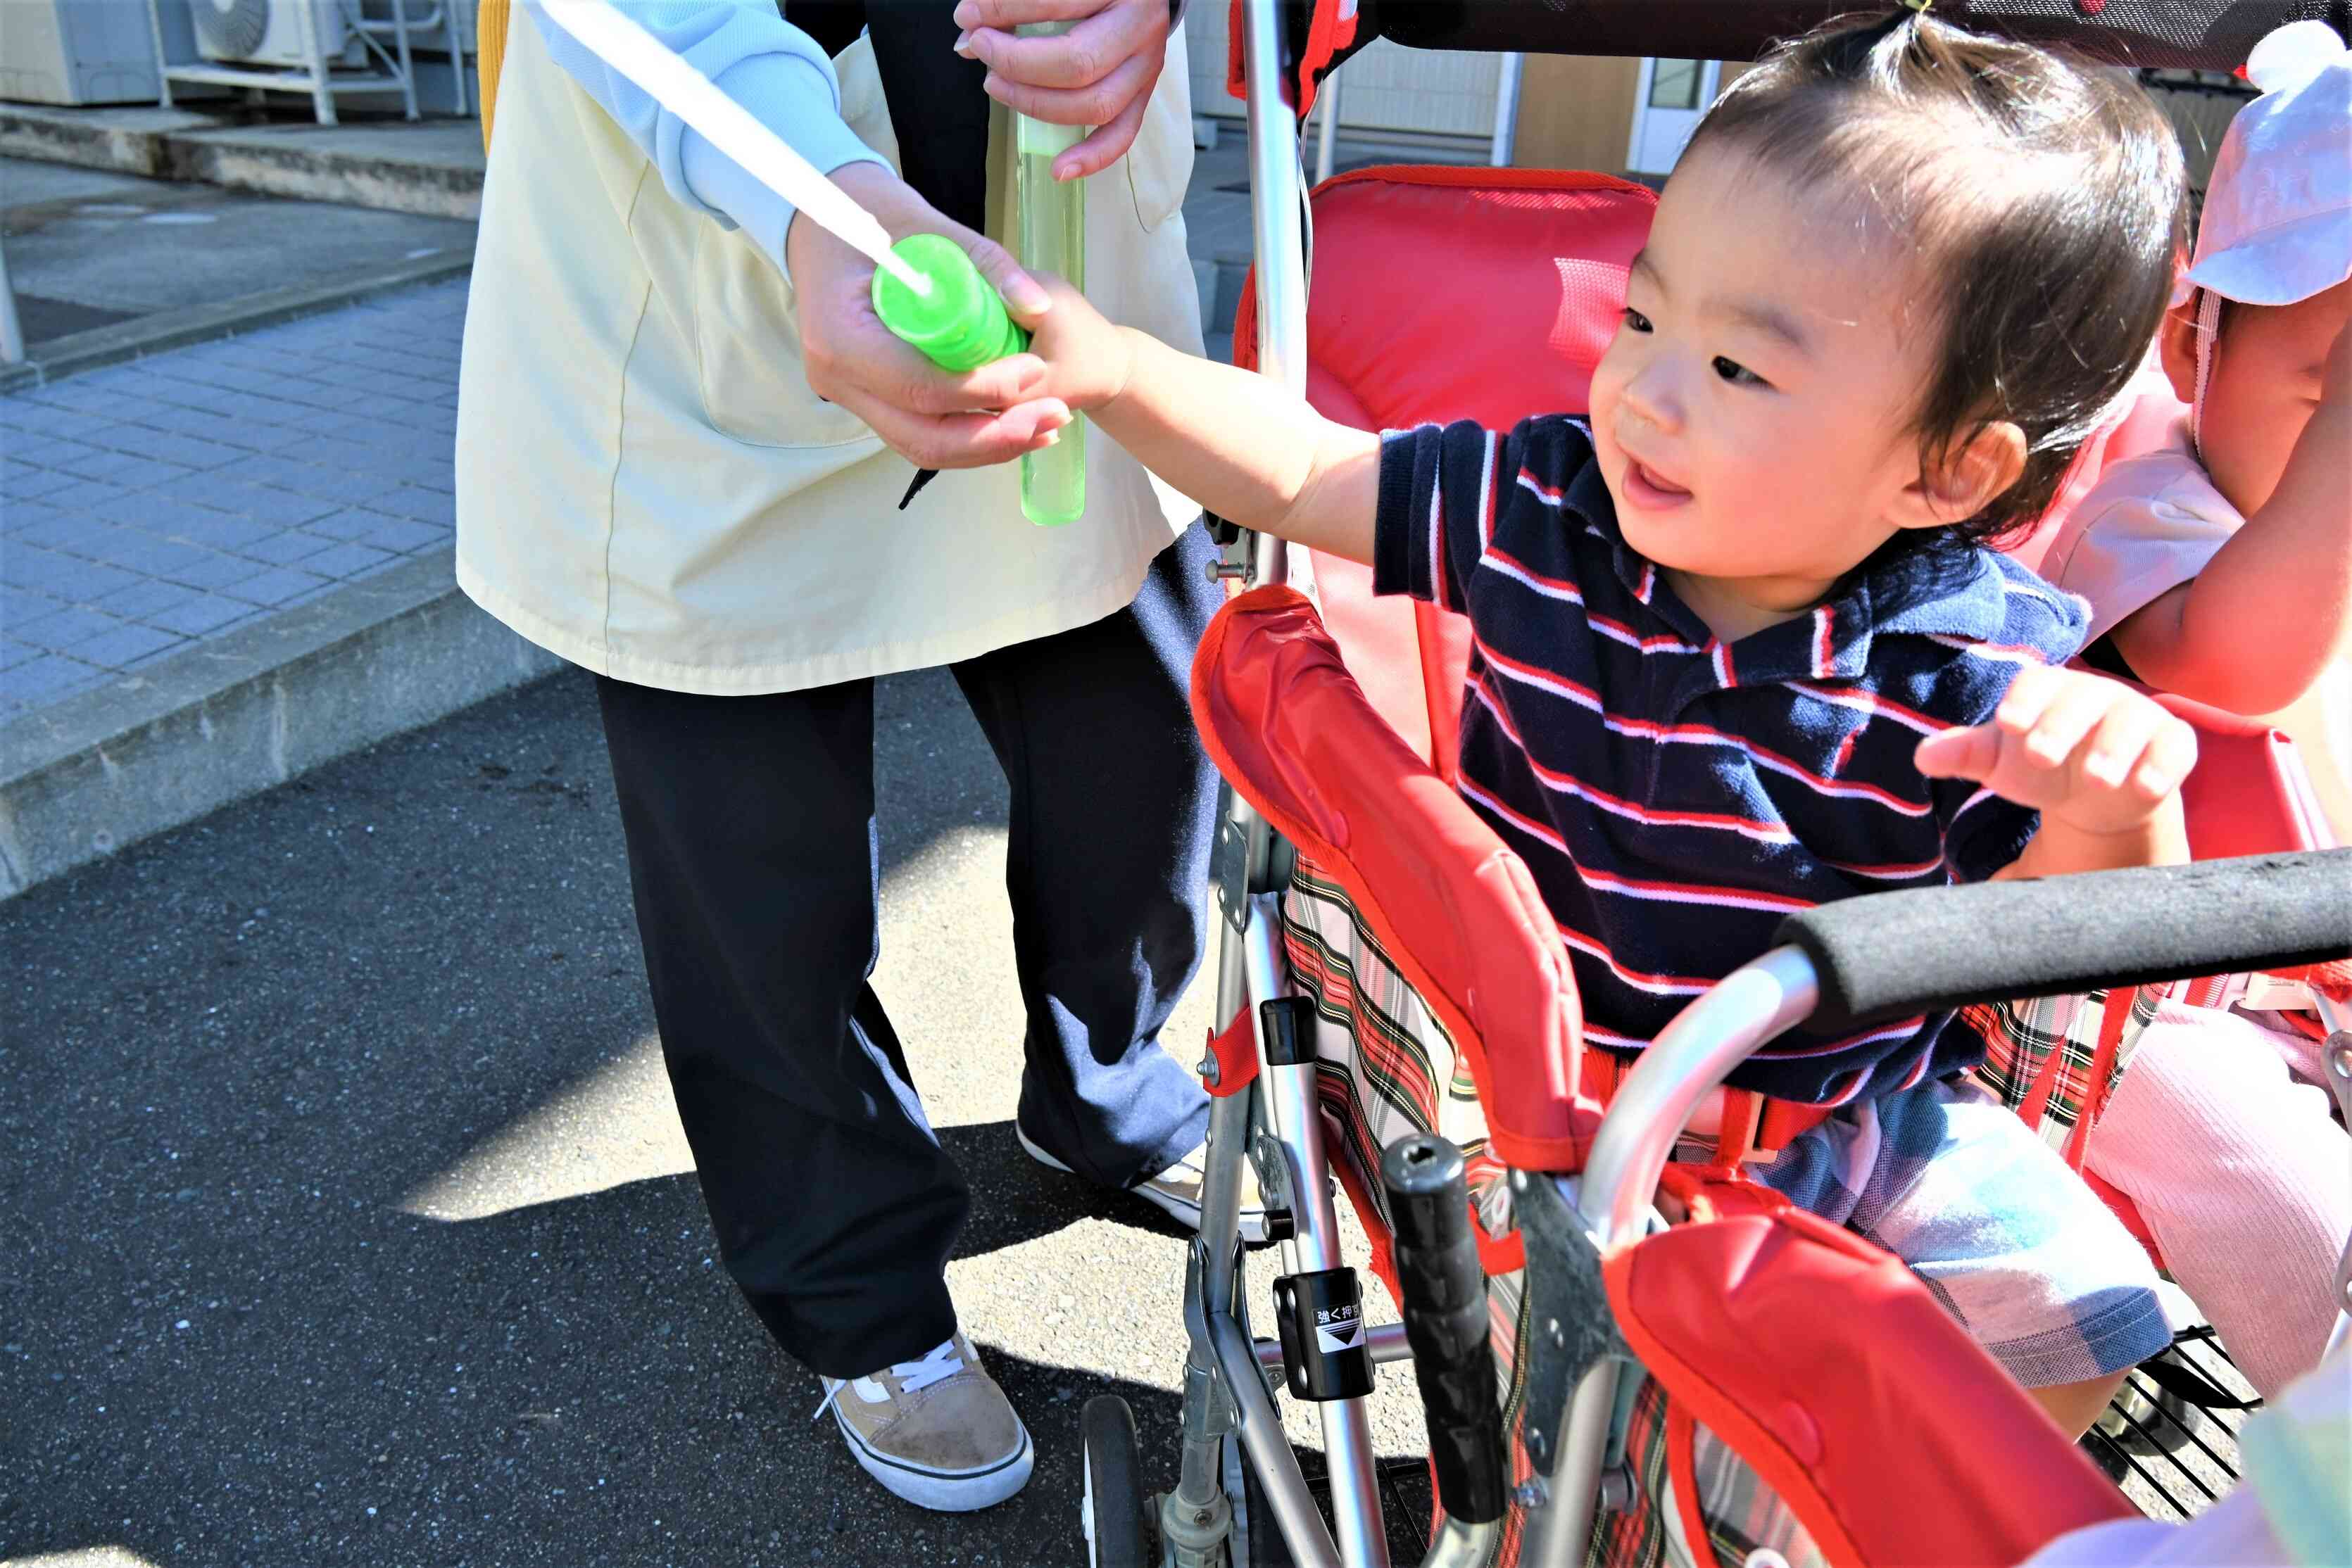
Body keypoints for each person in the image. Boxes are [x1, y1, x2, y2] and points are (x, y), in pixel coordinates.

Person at [1017, 10, 2200, 1436]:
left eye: (1738, 370)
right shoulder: (1544, 512)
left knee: (2094, 1309)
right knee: (1624, 1412)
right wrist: (1117, 372)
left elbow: (2075, 949)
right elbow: (1309, 474)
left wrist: (2109, 801)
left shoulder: (1978, 667)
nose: (1641, 389)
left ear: (1950, 472)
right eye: (1643, 317)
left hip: (1855, 1115)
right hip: (1555, 1098)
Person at [455, 0, 1252, 1512]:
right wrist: (827, 202)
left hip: (1045, 229)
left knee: (1142, 743)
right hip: (708, 229)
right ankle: (854, 1287)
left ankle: (1103, 1082)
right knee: (754, 871)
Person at [1983, 18, 2352, 1403]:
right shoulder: (2157, 501)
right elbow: (2236, 662)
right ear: (2199, 342)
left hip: (2319, 971)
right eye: (2322, 393)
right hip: (2156, 1014)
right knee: (2290, 1211)